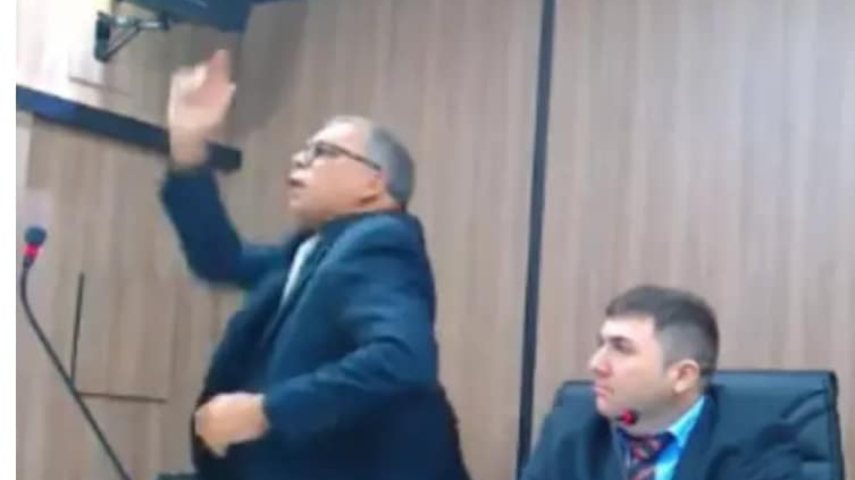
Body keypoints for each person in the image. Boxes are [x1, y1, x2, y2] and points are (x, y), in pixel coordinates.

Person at [160, 49, 470, 480]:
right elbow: (220, 258)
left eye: (322, 152)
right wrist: (188, 144)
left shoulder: (379, 241)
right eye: (303, 150)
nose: (298, 159)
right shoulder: (311, 251)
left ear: (373, 182)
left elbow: (402, 358)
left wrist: (264, 411)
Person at [522, 285, 802, 480]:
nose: (596, 364)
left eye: (621, 348)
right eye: (601, 345)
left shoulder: (755, 441)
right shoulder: (571, 428)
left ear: (682, 376)